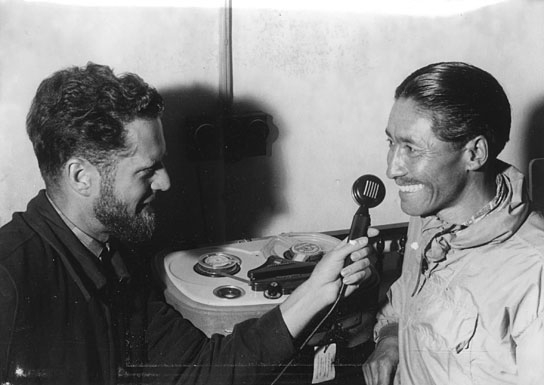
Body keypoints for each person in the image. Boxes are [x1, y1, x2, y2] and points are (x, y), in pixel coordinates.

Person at [0, 63, 377, 385]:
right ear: (81, 176)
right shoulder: (9, 281)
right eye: (148, 171)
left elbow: (197, 370)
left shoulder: (119, 255)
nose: (165, 183)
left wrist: (312, 294)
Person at [362, 61, 544, 385]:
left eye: (411, 149)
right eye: (391, 143)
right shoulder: (429, 212)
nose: (392, 168)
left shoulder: (535, 273)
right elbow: (409, 294)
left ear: (474, 154)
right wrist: (391, 337)